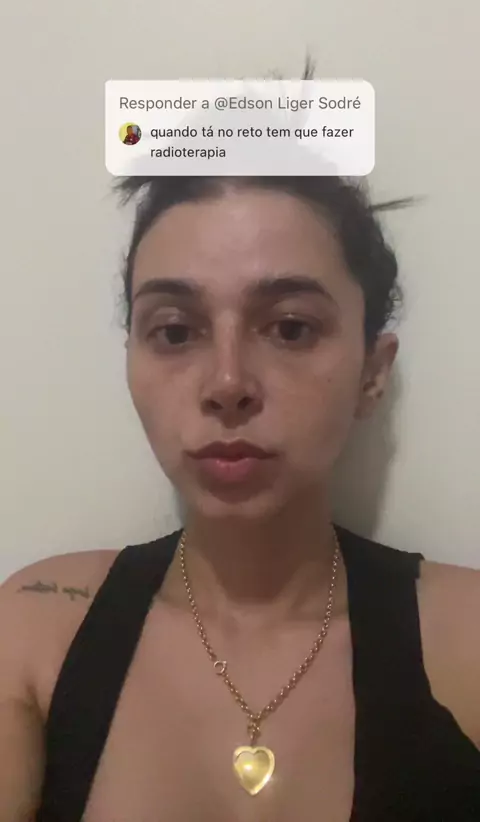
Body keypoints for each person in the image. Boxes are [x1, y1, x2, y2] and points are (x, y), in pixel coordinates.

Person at [1, 175, 480, 822]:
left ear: (373, 371)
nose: (227, 384)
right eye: (175, 332)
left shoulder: (467, 641)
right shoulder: (35, 630)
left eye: (290, 327)